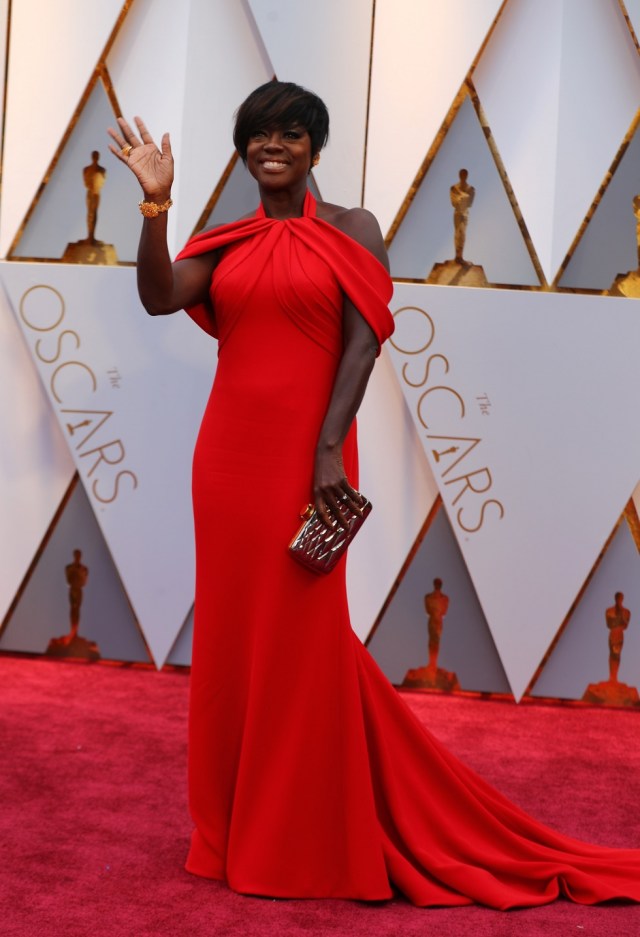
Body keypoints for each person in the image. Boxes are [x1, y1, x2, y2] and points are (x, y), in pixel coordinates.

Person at [108, 81, 640, 909]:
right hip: (227, 467)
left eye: (289, 133)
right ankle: (228, 828)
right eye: (258, 135)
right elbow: (157, 296)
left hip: (305, 462)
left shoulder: (354, 230)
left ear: (314, 149)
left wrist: (328, 450)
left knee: (301, 638)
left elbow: (363, 344)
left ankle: (300, 828)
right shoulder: (226, 239)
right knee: (233, 642)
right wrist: (154, 206)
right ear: (244, 150)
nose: (271, 146)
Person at [450, 168, 474, 263]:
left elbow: (470, 203)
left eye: (465, 175)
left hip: (465, 213)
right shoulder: (454, 188)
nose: (463, 176)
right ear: (459, 175)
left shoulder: (471, 189)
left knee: (463, 233)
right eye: (461, 174)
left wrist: (462, 197)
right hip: (457, 213)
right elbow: (453, 202)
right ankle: (457, 256)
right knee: (457, 232)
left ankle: (460, 256)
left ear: (466, 176)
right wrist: (461, 198)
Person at [424, 577, 449, 672]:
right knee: (433, 641)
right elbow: (443, 612)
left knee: (434, 641)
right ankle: (432, 663)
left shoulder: (442, 598)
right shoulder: (430, 597)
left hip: (436, 621)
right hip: (435, 620)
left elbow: (443, 612)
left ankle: (433, 663)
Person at [606, 592, 630, 683]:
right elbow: (608, 624)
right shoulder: (609, 610)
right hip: (613, 632)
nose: (619, 599)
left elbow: (625, 625)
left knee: (617, 653)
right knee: (612, 653)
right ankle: (611, 677)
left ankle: (615, 677)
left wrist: (621, 617)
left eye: (620, 598)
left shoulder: (626, 612)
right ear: (615, 598)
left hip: (619, 633)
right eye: (618, 598)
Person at [82, 151, 106, 242]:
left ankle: (92, 236)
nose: (95, 157)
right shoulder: (86, 169)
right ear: (92, 156)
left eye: (97, 156)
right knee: (90, 213)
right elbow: (85, 181)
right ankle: (89, 236)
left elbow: (102, 181)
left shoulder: (102, 170)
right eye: (94, 155)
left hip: (97, 193)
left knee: (94, 212)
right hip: (90, 193)